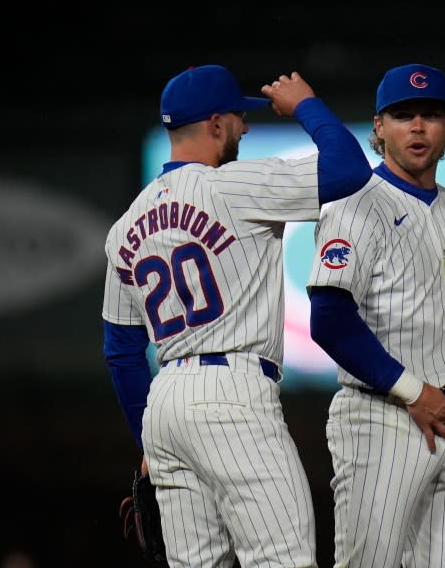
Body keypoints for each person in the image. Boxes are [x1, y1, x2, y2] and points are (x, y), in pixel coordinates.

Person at [101, 64, 372, 568]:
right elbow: (348, 170)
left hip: (165, 407)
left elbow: (121, 351)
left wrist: (148, 444)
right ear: (216, 123)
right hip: (231, 396)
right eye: (238, 118)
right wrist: (305, 106)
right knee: (283, 560)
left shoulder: (125, 226)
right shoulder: (237, 186)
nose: (245, 129)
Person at [307, 63, 445, 568]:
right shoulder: (355, 204)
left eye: (431, 114)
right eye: (403, 115)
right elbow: (329, 319)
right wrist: (411, 390)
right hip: (384, 416)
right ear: (379, 127)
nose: (418, 126)